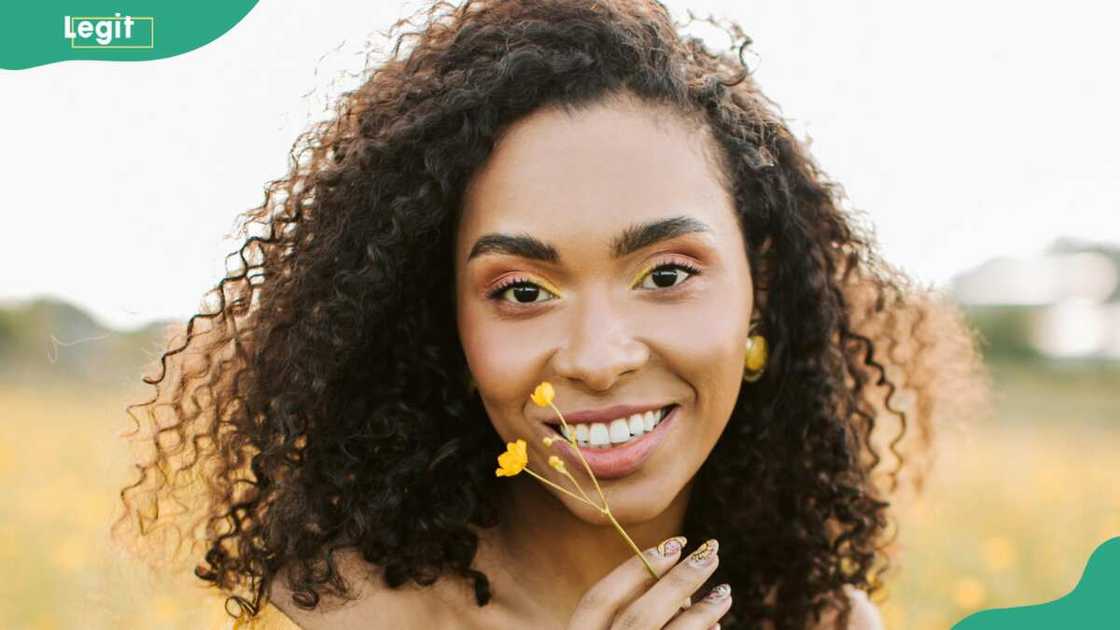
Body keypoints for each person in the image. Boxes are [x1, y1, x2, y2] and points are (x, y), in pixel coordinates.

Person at [112, 1, 991, 628]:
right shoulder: (336, 621)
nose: (600, 357)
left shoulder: (829, 622)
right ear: (444, 325)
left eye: (668, 273)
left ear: (759, 288)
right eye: (522, 291)